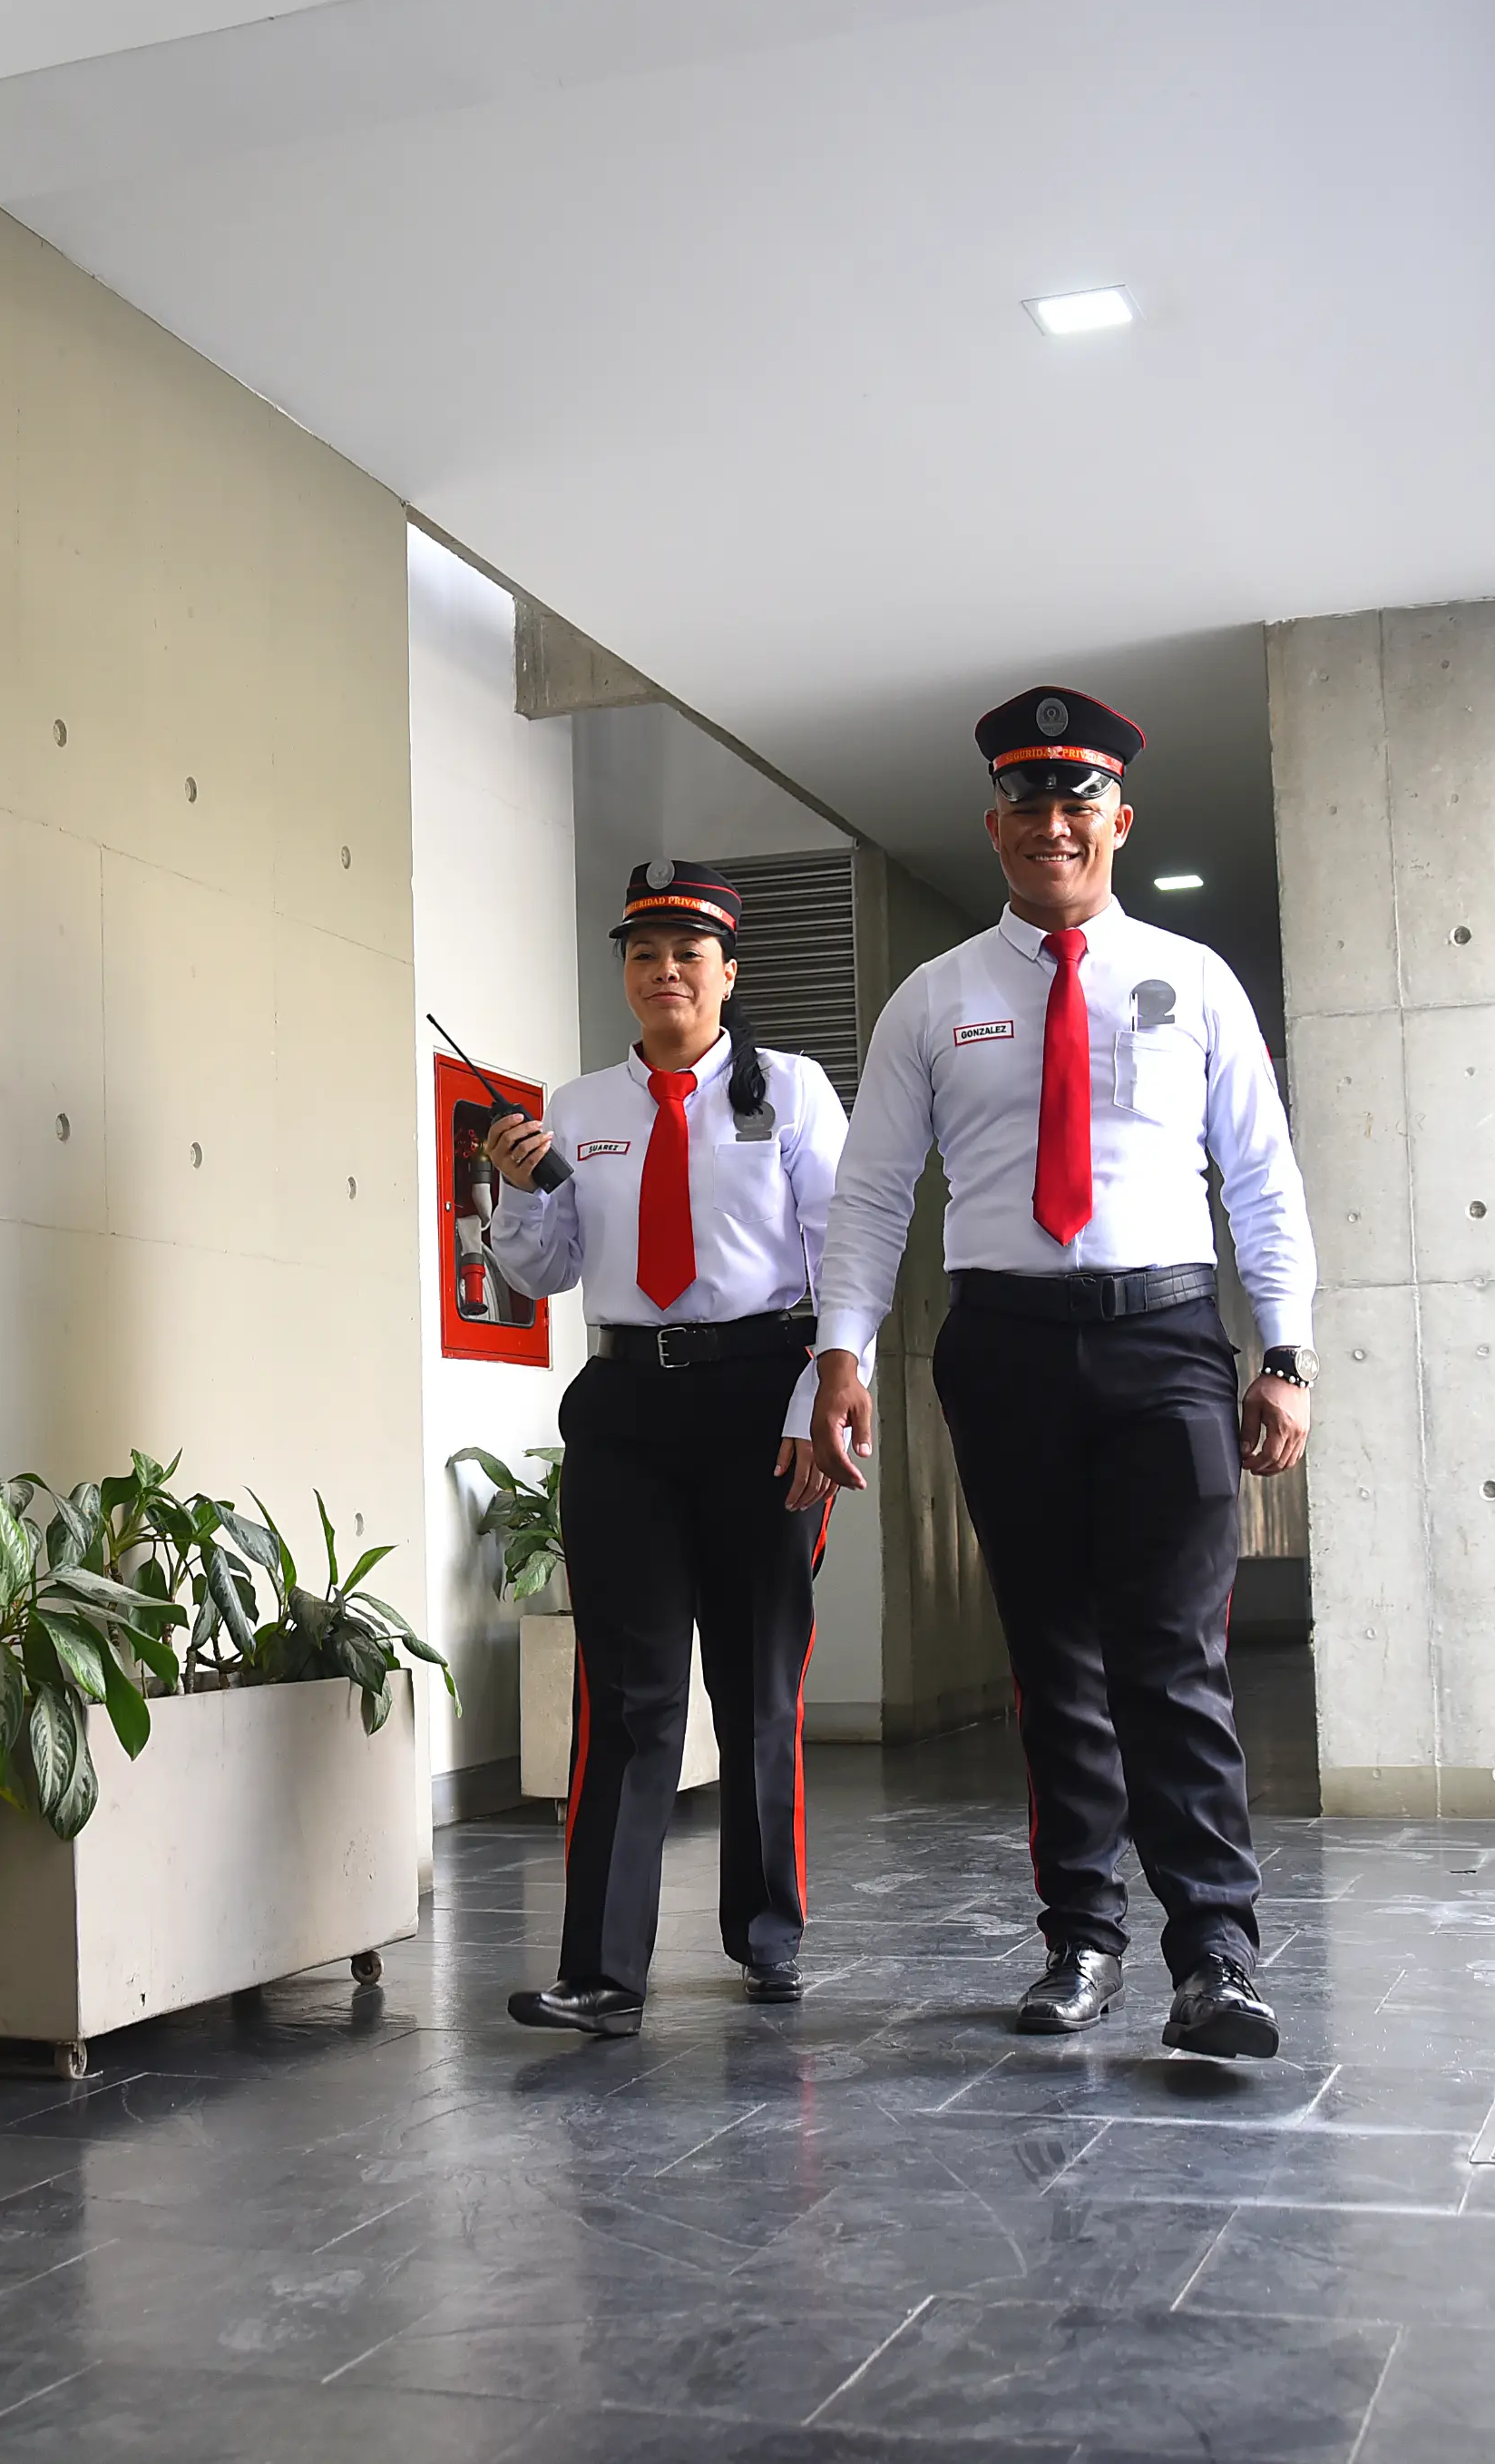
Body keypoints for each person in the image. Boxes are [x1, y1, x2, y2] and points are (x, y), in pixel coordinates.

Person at [806, 688, 1314, 2060]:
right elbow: (868, 1197)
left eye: (1077, 799)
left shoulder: (1196, 980)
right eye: (1027, 801)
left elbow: (1262, 1181)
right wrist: (839, 1358)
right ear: (994, 826)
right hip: (1007, 1350)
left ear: (1120, 821)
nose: (1053, 823)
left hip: (1166, 1343)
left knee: (1172, 1657)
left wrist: (1287, 1352)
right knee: (1055, 1661)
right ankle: (1081, 1934)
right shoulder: (938, 998)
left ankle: (1214, 1954)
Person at [483, 861, 856, 2038]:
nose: (666, 972)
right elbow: (545, 1273)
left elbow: (843, 1253)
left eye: (690, 953)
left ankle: (767, 1933)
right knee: (628, 1695)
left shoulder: (788, 1091)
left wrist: (815, 1408)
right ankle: (601, 1969)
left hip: (765, 1398)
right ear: (626, 975)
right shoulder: (580, 1107)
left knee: (757, 1683)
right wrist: (526, 1193)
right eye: (644, 954)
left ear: (729, 972)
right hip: (630, 1405)